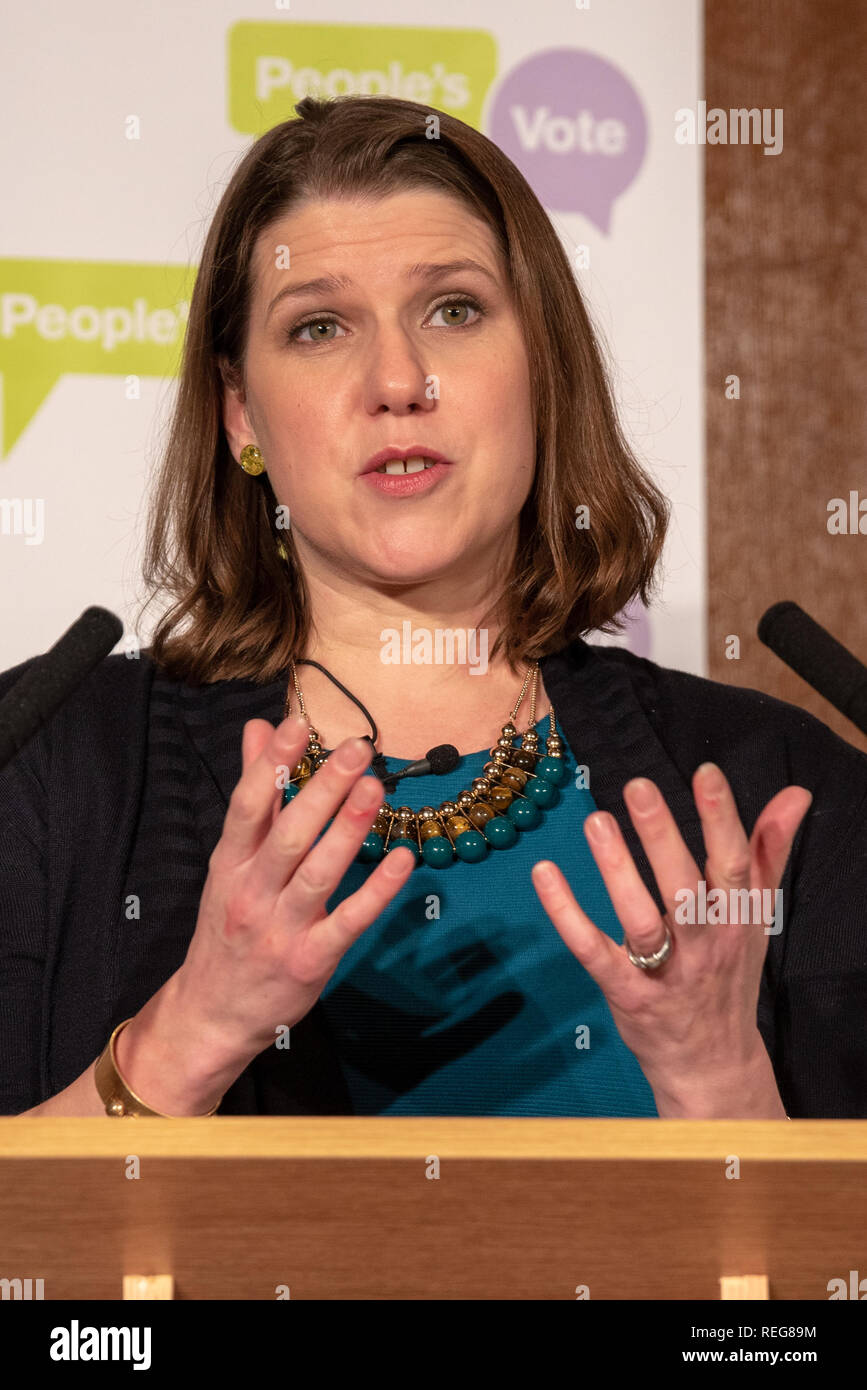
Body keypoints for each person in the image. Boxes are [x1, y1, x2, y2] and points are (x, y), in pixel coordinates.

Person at [2, 95, 865, 1122]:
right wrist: (187, 1036)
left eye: (453, 310)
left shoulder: (779, 795)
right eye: (319, 326)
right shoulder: (58, 770)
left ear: (541, 366)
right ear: (242, 413)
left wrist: (722, 1084)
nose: (398, 380)